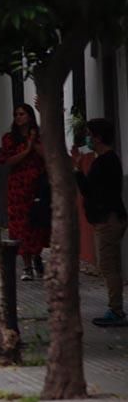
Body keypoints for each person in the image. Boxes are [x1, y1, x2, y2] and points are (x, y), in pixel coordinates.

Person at [73, 118, 127, 326]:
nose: (87, 138)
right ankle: (116, 307)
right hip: (107, 217)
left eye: (89, 134)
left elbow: (91, 191)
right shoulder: (106, 160)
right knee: (110, 265)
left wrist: (78, 171)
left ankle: (116, 310)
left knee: (108, 266)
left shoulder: (106, 161)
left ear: (98, 137)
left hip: (108, 220)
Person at [0, 103, 48, 280]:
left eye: (22, 114)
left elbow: (47, 155)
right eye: (16, 114)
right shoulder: (10, 139)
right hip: (18, 188)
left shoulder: (39, 136)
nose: (19, 117)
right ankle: (26, 265)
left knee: (37, 224)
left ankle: (37, 256)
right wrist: (27, 149)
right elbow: (8, 161)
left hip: (37, 187)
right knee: (20, 226)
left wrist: (33, 143)